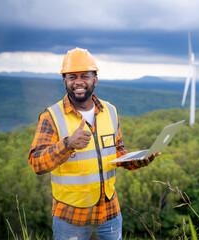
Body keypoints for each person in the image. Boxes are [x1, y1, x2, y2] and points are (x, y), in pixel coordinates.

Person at [28, 47, 161, 240]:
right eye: (72, 76)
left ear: (95, 80)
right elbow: (36, 163)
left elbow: (117, 153)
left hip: (109, 213)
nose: (79, 81)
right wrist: (68, 144)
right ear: (64, 81)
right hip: (71, 217)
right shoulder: (51, 117)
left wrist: (139, 160)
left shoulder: (110, 111)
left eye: (85, 76)